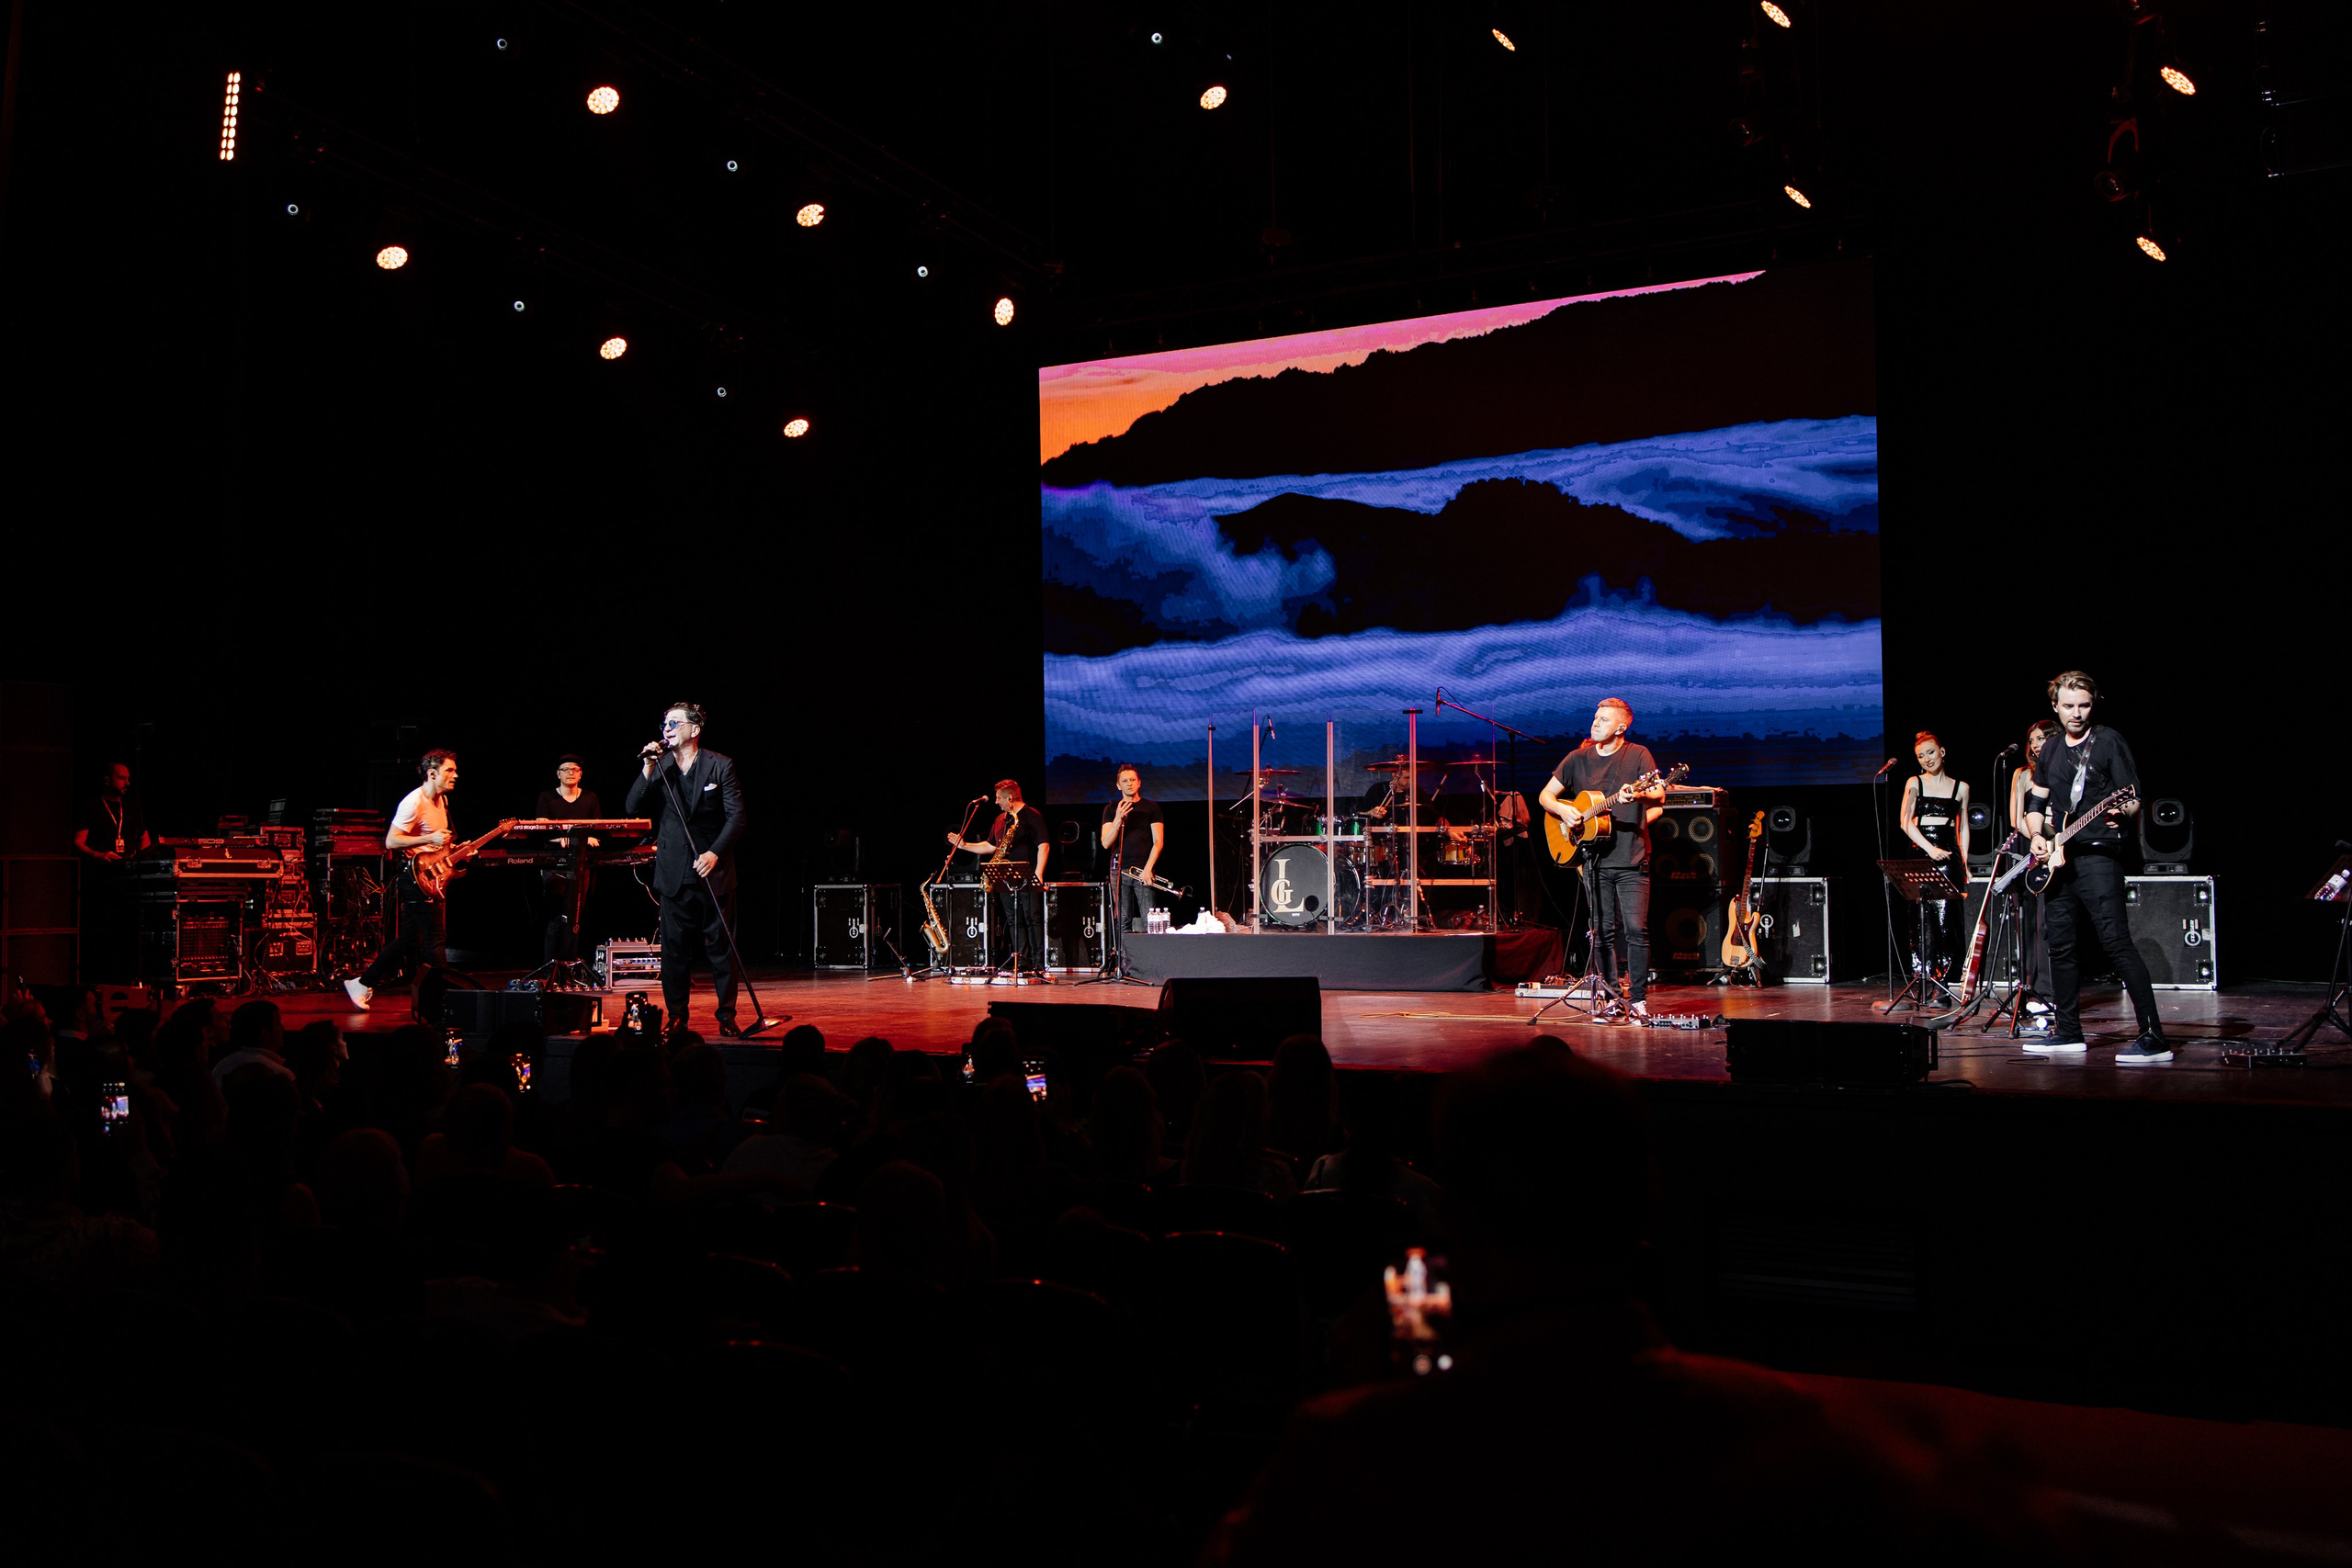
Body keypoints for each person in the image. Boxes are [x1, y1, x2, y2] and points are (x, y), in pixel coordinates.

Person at [2022, 671, 2167, 1063]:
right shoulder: (2050, 749)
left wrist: (2126, 811)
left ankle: (2154, 1036)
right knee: (2062, 946)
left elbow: (2134, 796)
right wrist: (2037, 835)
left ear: (2093, 704)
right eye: (2068, 706)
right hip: (2058, 857)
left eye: (2083, 705)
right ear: (2055, 706)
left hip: (2099, 854)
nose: (2076, 713)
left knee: (2116, 942)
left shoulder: (2108, 741)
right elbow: (2036, 802)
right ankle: (2068, 1031)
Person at [1537, 701, 1667, 1021]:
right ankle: (1610, 996)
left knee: (1636, 929)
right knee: (1601, 931)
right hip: (1594, 861)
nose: (1595, 723)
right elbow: (1545, 796)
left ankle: (1637, 1001)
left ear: (1621, 727)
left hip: (1631, 858)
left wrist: (1637, 794)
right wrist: (1564, 810)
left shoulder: (1638, 755)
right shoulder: (1576, 759)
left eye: (1604, 719)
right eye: (1595, 717)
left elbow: (1659, 795)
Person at [626, 702, 748, 1038]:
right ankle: (677, 1015)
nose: (667, 729)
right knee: (675, 951)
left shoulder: (720, 765)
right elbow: (632, 807)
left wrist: (714, 853)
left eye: (675, 723)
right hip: (674, 871)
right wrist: (648, 768)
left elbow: (737, 817)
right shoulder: (661, 764)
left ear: (694, 730)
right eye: (665, 723)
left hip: (712, 869)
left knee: (721, 949)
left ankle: (726, 1015)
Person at [345, 750, 460, 1015]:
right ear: (432, 774)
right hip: (416, 880)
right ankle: (447, 1000)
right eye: (449, 771)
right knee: (435, 941)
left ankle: (362, 984)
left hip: (430, 877)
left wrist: (457, 850)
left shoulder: (442, 801)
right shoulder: (413, 802)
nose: (455, 775)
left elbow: (436, 845)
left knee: (409, 939)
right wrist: (427, 841)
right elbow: (391, 841)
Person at [948, 779, 1049, 976]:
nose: (996, 802)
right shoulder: (1000, 820)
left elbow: (1043, 845)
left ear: (1010, 798)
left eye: (999, 798)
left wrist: (1039, 875)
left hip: (1027, 877)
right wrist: (965, 846)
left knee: (1032, 919)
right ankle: (1021, 961)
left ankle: (1038, 963)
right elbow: (991, 846)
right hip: (1005, 878)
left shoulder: (1032, 816)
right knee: (1013, 920)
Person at [1897, 731, 1970, 979]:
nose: (1926, 759)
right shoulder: (1914, 782)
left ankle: (1949, 977)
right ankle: (1924, 976)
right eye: (1920, 756)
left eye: (1930, 752)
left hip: (1949, 853)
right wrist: (1930, 849)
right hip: (1921, 851)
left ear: (1942, 752)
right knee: (1921, 915)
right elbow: (1905, 823)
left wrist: (1965, 862)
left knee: (1948, 917)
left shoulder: (1961, 788)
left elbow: (1963, 828)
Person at [73, 761, 150, 984]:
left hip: (129, 881)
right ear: (107, 780)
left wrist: (143, 860)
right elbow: (78, 842)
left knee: (129, 936)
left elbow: (144, 839)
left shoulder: (133, 807)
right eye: (122, 778)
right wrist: (98, 855)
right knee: (103, 935)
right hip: (100, 881)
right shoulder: (91, 806)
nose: (128, 783)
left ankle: (129, 981)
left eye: (128, 778)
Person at [2006, 720, 2062, 1014]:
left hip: (2063, 848)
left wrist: (2057, 839)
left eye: (2042, 738)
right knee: (2031, 924)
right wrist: (2041, 839)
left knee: (2052, 924)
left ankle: (2053, 990)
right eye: (2033, 740)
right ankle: (2033, 990)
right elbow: (2018, 820)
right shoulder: (2022, 774)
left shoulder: (2065, 769)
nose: (2037, 744)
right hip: (2034, 850)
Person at [535, 754, 606, 965]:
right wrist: (565, 839)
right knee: (558, 917)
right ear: (558, 773)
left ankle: (570, 964)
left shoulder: (590, 798)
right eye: (565, 769)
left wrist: (587, 838)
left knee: (576, 917)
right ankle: (551, 967)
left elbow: (597, 829)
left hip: (581, 863)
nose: (570, 773)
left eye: (574, 769)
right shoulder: (547, 797)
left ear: (581, 774)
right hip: (555, 863)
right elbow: (541, 829)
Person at [1099, 764, 1165, 931]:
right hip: (1119, 871)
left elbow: (1158, 841)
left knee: (1150, 920)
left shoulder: (1151, 807)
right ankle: (1125, 958)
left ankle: (1151, 956)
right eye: (1125, 781)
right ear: (1118, 785)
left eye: (1133, 780)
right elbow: (1106, 843)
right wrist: (1118, 818)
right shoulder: (1111, 809)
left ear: (1139, 783)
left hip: (1143, 870)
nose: (1129, 783)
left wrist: (1149, 868)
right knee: (1123, 923)